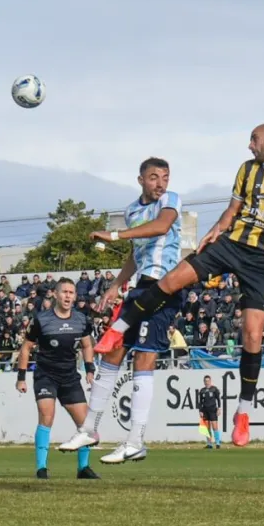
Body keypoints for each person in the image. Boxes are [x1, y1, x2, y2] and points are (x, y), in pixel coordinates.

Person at [93, 124, 264, 447]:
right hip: (231, 244)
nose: (249, 146)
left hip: (262, 260)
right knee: (171, 279)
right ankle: (117, 328)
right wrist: (215, 230)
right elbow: (233, 210)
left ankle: (243, 411)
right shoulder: (247, 170)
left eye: (254, 139)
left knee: (252, 332)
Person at [59, 157, 182, 464]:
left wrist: (113, 235)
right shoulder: (132, 211)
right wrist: (116, 285)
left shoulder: (171, 200)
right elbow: (136, 253)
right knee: (112, 353)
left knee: (144, 357)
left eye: (165, 177)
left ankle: (135, 440)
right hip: (140, 287)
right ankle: (90, 429)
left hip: (164, 286)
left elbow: (161, 227)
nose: (161, 183)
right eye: (154, 177)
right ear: (141, 179)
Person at [15, 278, 99, 480]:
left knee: (85, 424)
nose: (68, 296)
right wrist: (21, 378)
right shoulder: (41, 319)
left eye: (71, 292)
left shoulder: (81, 320)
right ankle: (42, 468)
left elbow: (87, 345)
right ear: (56, 294)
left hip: (70, 377)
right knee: (47, 416)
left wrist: (89, 368)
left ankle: (83, 468)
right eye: (64, 292)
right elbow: (26, 348)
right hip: (46, 375)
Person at [197, 375, 223, 448]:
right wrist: (200, 411)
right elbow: (200, 402)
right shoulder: (202, 391)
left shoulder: (214, 389)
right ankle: (209, 444)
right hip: (205, 410)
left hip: (213, 410)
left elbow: (218, 399)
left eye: (208, 381)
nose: (207, 382)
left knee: (215, 427)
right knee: (207, 428)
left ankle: (217, 443)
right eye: (205, 381)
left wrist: (219, 408)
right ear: (204, 382)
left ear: (210, 381)